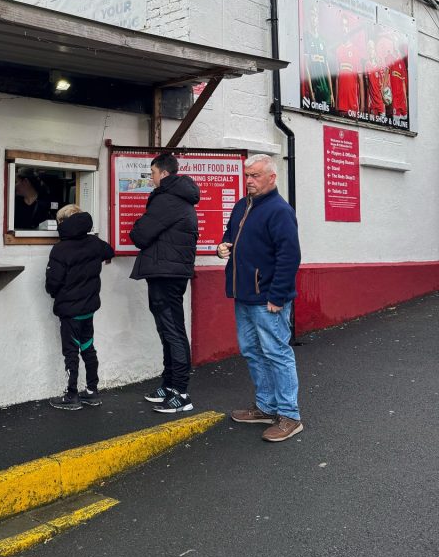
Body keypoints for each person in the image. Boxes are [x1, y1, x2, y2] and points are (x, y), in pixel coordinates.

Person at [216, 154, 302, 443]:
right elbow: (230, 235)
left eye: (255, 175)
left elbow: (289, 257)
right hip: (243, 296)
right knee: (252, 351)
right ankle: (266, 407)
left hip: (268, 299)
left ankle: (289, 415)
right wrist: (222, 247)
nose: (249, 180)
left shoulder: (280, 211)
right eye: (247, 175)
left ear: (272, 177)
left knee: (277, 353)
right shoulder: (242, 205)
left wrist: (277, 296)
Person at [129, 153, 199, 414]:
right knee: (167, 330)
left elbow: (140, 234)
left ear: (164, 173)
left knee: (172, 331)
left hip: (166, 273)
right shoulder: (176, 197)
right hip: (168, 272)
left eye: (153, 173)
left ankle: (181, 393)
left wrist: (138, 225)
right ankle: (169, 385)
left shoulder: (167, 199)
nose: (151, 178)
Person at [45, 204, 114, 411]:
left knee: (71, 352)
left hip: (70, 311)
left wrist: (54, 294)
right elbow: (109, 251)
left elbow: (53, 282)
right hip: (88, 308)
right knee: (87, 347)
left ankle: (72, 395)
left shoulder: (61, 249)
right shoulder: (94, 243)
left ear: (63, 223)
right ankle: (92, 391)